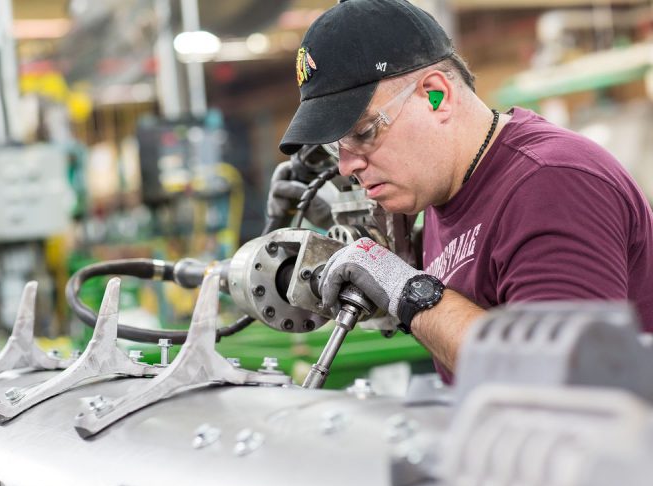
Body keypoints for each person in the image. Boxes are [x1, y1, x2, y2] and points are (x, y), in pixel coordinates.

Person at [275, 0, 653, 379]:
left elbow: (557, 376)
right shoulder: (443, 194)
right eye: (335, 146)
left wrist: (406, 288)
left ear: (436, 95)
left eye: (363, 132)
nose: (347, 166)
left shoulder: (551, 183)